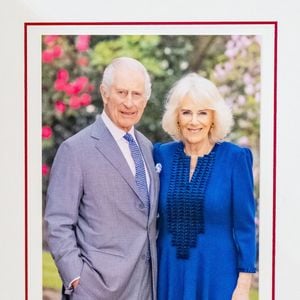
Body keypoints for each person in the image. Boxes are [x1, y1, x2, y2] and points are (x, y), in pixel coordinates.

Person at [45, 57, 159, 300]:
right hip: (95, 291)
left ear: (145, 100)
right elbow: (58, 223)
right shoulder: (75, 150)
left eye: (137, 94)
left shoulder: (148, 148)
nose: (130, 102)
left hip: (145, 289)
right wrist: (77, 279)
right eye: (122, 92)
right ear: (105, 93)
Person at [153, 73, 256, 300]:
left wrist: (243, 284)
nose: (194, 121)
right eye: (186, 112)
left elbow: (245, 226)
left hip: (218, 276)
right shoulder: (161, 155)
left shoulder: (235, 158)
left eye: (202, 113)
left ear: (213, 118)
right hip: (169, 274)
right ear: (177, 117)